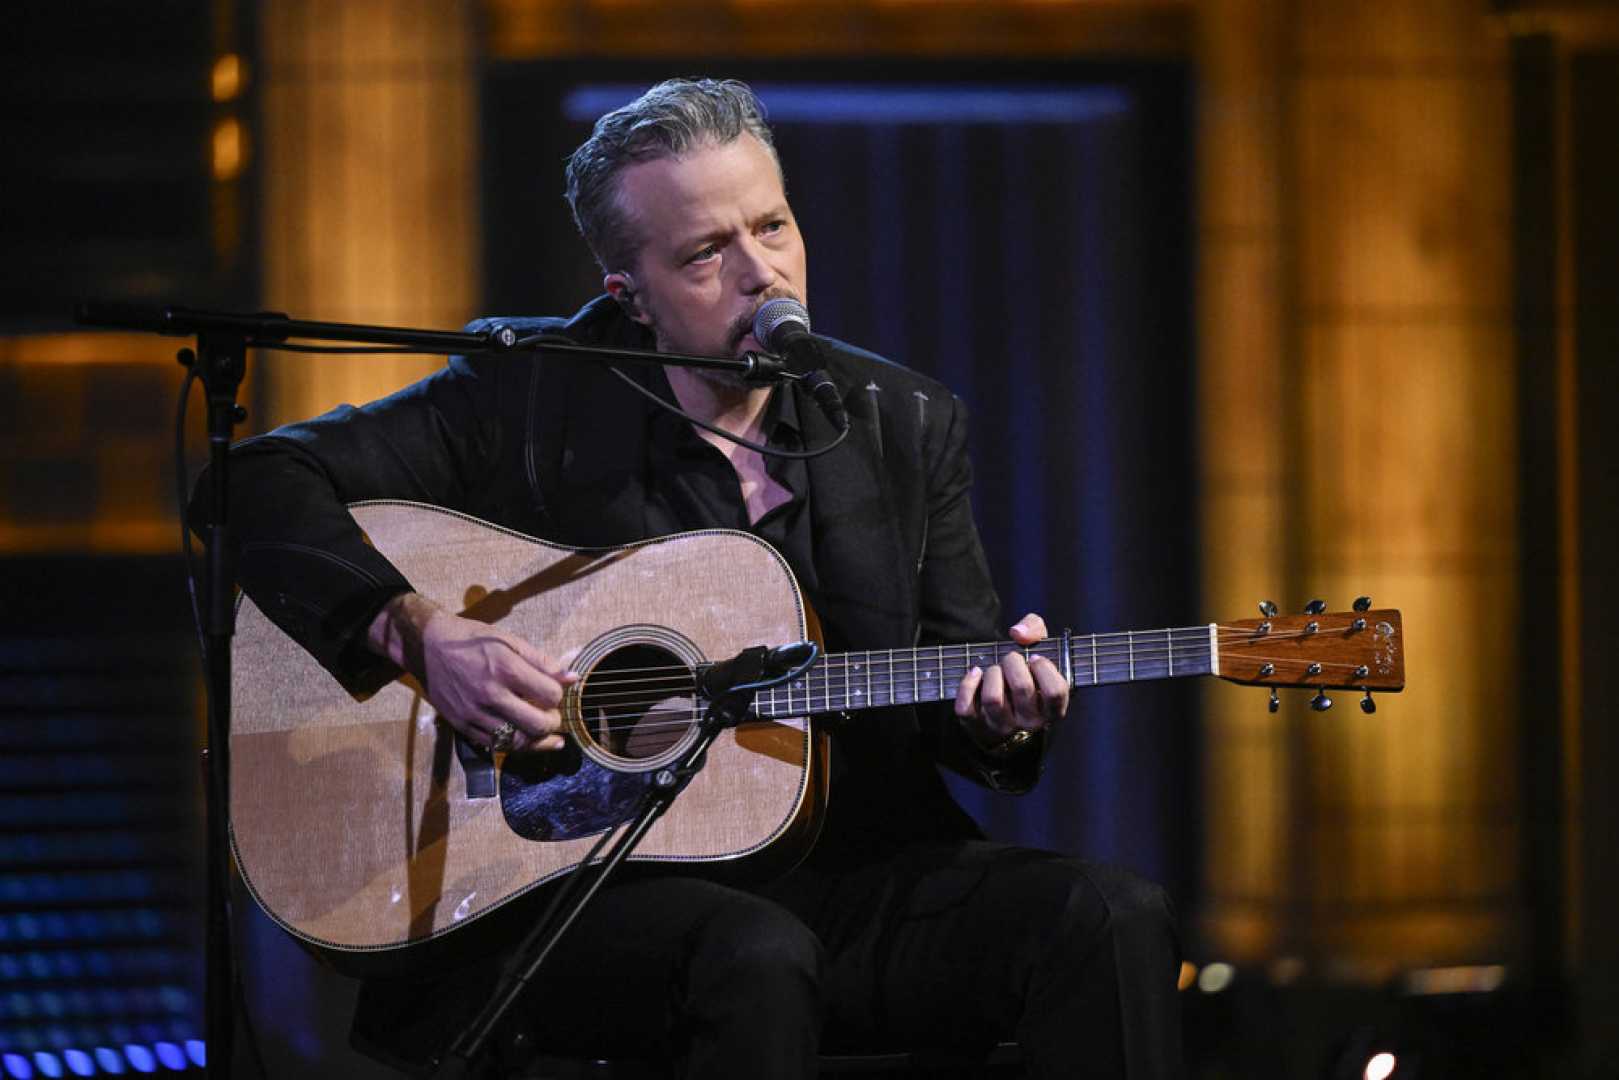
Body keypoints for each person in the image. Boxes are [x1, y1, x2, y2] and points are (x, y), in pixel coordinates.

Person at [208, 78, 1183, 1078]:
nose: (762, 272)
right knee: (754, 958)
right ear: (628, 291)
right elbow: (252, 483)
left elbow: (955, 673)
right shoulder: (532, 391)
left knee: (1108, 916)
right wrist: (415, 633)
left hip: (851, 869)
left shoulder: (903, 418)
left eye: (772, 226)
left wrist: (999, 716)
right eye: (705, 253)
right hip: (587, 884)